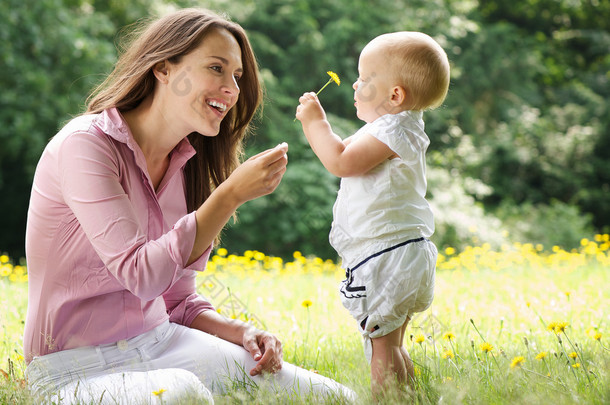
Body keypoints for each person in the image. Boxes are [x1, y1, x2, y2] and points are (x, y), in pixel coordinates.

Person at [23, 8, 355, 404]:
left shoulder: (184, 165)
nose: (231, 88)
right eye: (216, 68)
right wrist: (228, 195)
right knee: (184, 395)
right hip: (73, 370)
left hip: (162, 343)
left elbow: (176, 300)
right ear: (163, 68)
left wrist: (240, 332)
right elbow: (140, 275)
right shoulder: (85, 146)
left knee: (334, 397)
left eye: (236, 76)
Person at [295, 31, 450, 397]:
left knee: (382, 346)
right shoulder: (397, 128)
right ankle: (409, 398)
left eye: (365, 79)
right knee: (392, 344)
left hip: (388, 255)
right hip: (405, 254)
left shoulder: (394, 129)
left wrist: (314, 122)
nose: (354, 83)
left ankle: (387, 400)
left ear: (395, 96)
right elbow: (347, 149)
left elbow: (339, 161)